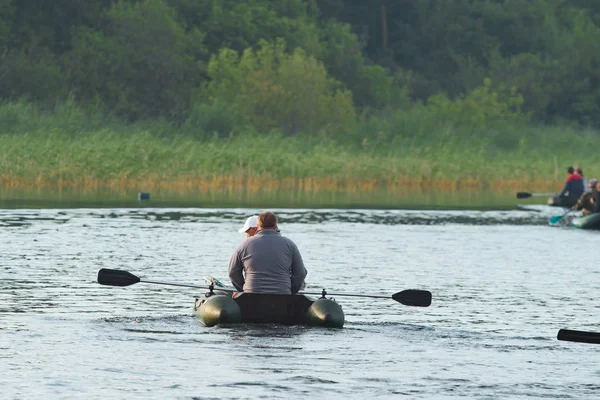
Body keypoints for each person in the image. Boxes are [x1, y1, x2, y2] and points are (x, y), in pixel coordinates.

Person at [228, 211, 307, 294]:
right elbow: (301, 273)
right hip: (283, 298)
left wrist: (243, 290)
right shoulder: (290, 244)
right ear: (276, 226)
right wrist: (291, 292)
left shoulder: (244, 245)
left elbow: (232, 272)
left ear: (258, 226)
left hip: (250, 297)